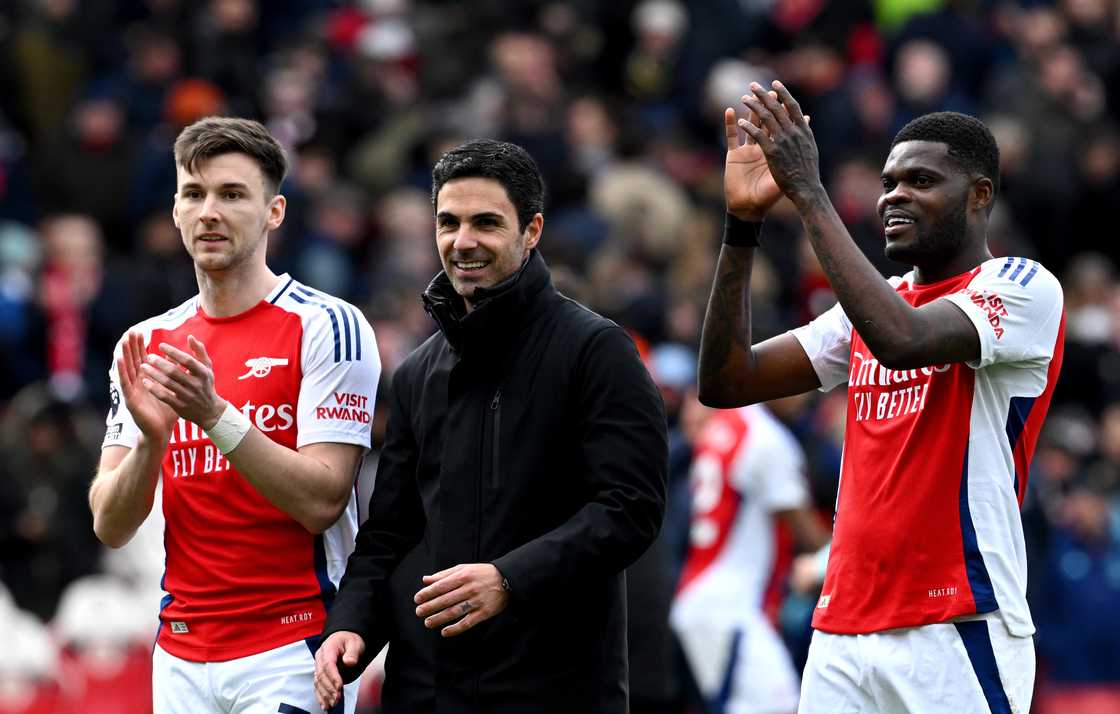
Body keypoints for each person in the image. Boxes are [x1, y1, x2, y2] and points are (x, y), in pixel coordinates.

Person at [697, 81, 1064, 713]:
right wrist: (743, 225)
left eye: (921, 181)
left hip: (957, 620)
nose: (894, 195)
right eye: (889, 182)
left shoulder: (1023, 286)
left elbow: (902, 339)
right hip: (842, 627)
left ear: (979, 196)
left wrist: (809, 193)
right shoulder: (870, 307)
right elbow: (728, 380)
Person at [312, 138, 668, 714]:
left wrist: (508, 578)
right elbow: (390, 535)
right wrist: (350, 624)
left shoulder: (596, 349)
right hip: (426, 692)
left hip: (556, 691)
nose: (463, 241)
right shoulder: (416, 375)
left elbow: (631, 509)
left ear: (532, 231)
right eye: (448, 223)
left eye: (486, 222)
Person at [89, 117, 379, 714]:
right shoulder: (145, 343)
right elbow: (110, 525)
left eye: (232, 194)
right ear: (175, 211)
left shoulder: (328, 326)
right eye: (194, 194)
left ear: (274, 212)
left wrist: (214, 414)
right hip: (179, 651)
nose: (209, 213)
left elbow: (323, 500)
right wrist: (151, 443)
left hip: (292, 646)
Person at [671, 400, 829, 714]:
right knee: (783, 705)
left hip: (707, 592)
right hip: (730, 603)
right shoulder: (766, 438)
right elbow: (807, 533)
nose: (806, 393)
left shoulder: (727, 422)